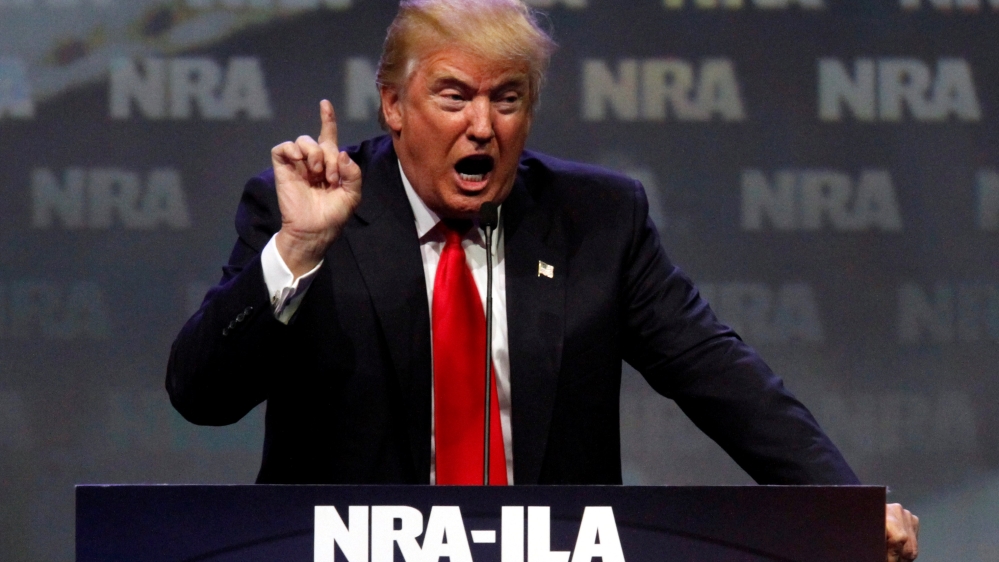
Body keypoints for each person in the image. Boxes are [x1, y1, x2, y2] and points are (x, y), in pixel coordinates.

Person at [165, 0, 919, 559]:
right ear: (393, 105)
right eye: (454, 96)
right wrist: (298, 247)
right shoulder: (307, 211)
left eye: (508, 98)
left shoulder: (596, 219)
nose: (483, 127)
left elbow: (720, 375)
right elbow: (201, 395)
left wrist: (845, 506)